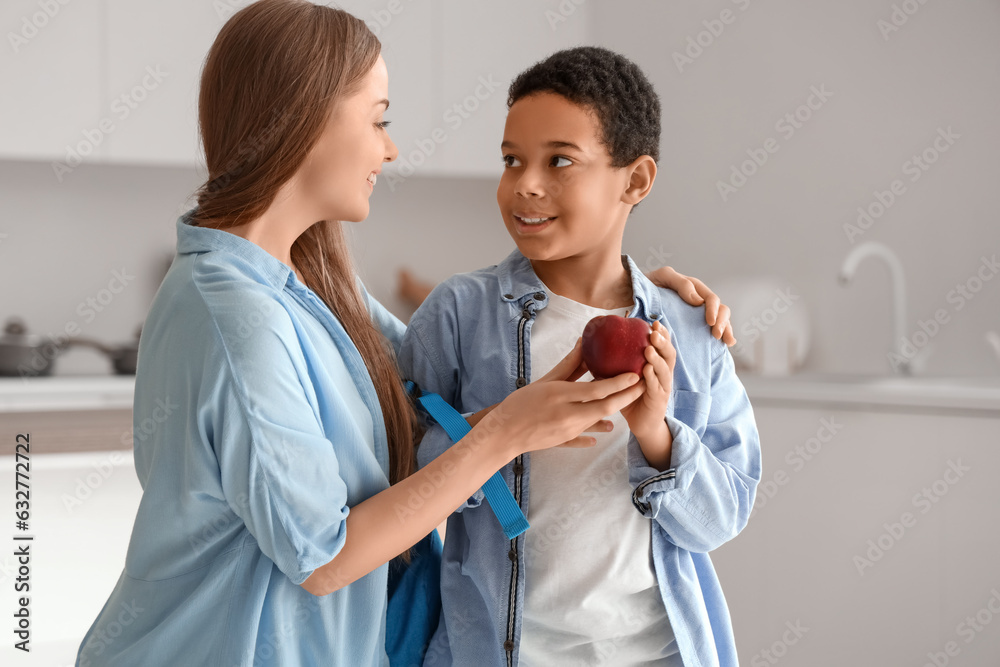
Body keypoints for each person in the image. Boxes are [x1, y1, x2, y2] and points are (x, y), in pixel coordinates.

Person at [74, 3, 734, 666]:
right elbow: (325, 556)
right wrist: (507, 432)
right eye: (379, 118)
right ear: (304, 119)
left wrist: (624, 289)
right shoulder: (239, 320)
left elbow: (418, 396)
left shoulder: (306, 285)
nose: (389, 147)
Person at [398, 46, 761, 667]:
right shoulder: (459, 315)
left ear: (636, 180)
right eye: (512, 160)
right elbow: (397, 476)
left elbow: (722, 518)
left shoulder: (692, 332)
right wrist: (504, 429)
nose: (525, 185)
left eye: (559, 160)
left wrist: (655, 436)